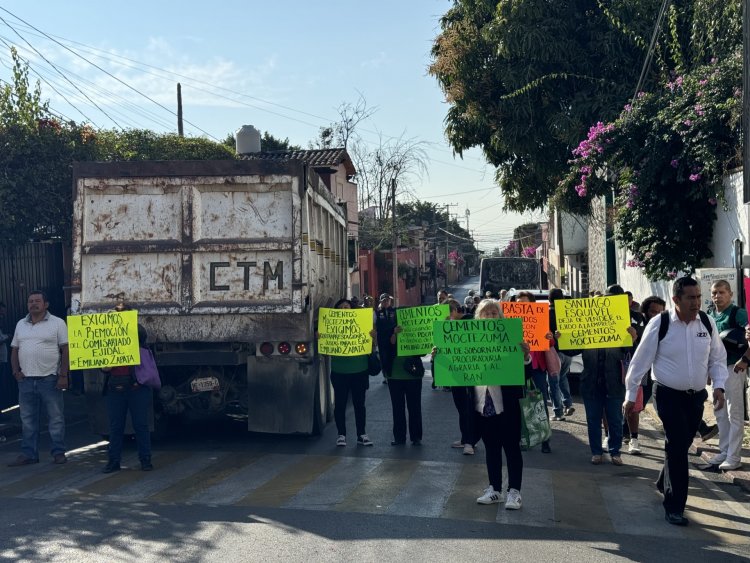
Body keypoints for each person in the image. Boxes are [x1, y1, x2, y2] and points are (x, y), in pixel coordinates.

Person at [624, 276, 727, 526]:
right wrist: (630, 395)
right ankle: (674, 506)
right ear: (676, 300)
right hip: (667, 394)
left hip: (696, 398)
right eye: (691, 298)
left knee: (680, 444)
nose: (697, 303)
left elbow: (717, 358)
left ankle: (663, 481)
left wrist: (720, 386)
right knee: (678, 446)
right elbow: (640, 361)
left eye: (699, 297)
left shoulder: (706, 322)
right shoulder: (660, 324)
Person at [472, 299, 530, 510]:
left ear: (500, 316)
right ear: (478, 317)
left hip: (506, 403)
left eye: (493, 313)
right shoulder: (470, 341)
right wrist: (440, 357)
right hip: (483, 404)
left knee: (511, 448)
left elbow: (526, 374)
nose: (489, 316)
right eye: (485, 313)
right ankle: (494, 489)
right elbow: (456, 371)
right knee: (491, 448)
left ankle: (514, 492)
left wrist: (525, 357)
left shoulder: (510, 339)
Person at [8, 290, 69, 466]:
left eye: (37, 301)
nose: (33, 304)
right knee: (27, 420)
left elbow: (65, 350)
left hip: (49, 379)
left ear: (46, 304)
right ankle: (29, 454)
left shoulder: (57, 323)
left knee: (55, 418)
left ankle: (58, 452)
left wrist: (63, 375)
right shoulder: (21, 324)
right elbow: (15, 350)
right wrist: (15, 371)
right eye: (30, 301)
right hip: (26, 380)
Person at [580, 286, 637, 466]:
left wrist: (633, 339)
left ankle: (615, 451)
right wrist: (560, 337)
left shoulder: (626, 324)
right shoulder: (586, 324)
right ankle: (596, 452)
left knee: (615, 420)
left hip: (614, 382)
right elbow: (570, 348)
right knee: (593, 420)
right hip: (591, 381)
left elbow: (632, 354)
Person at [102, 324, 155, 472]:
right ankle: (113, 461)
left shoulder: (138, 336)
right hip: (115, 389)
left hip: (136, 389)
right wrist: (107, 365)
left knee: (141, 425)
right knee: (115, 427)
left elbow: (143, 339)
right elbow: (103, 368)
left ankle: (145, 460)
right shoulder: (107, 340)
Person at [707, 280, 746, 470]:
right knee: (719, 411)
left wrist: (746, 359)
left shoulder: (738, 313)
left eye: (722, 292)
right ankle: (724, 451)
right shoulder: (709, 315)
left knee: (734, 413)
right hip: (716, 370)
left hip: (733, 368)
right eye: (714, 293)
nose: (718, 296)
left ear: (730, 294)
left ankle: (734, 456)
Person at [325, 298, 375, 448]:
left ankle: (362, 434)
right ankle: (341, 435)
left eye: (347, 306)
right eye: (341, 307)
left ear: (352, 309)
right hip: (339, 371)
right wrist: (320, 338)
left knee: (359, 404)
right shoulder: (331, 326)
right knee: (340, 404)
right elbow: (324, 347)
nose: (344, 309)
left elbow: (373, 346)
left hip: (360, 370)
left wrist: (373, 336)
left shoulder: (362, 323)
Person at [622, 295, 666, 454]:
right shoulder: (641, 325)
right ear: (645, 312)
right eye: (653, 311)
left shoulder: (666, 325)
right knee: (632, 403)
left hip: (655, 374)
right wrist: (634, 338)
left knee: (639, 405)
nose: (656, 315)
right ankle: (627, 434)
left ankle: (626, 431)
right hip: (639, 372)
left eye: (660, 312)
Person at [515, 291, 554, 454]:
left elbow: (550, 342)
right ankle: (522, 436)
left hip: (537, 368)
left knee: (540, 403)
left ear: (532, 304)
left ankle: (545, 439)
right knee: (518, 404)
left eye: (524, 303)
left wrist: (549, 336)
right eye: (518, 303)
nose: (521, 306)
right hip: (516, 368)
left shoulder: (540, 319)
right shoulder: (510, 322)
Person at [440, 299, 477, 455]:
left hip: (471, 373)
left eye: (447, 314)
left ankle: (470, 441)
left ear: (454, 311)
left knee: (468, 408)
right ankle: (465, 439)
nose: (446, 318)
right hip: (455, 373)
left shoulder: (470, 321)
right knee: (461, 407)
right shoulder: (447, 327)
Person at [386, 325, 423, 446]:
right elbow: (385, 347)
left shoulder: (417, 330)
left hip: (413, 374)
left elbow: (422, 352)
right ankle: (399, 437)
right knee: (397, 408)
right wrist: (394, 334)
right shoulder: (389, 329)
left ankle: (416, 437)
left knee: (415, 407)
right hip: (395, 376)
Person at [548, 288, 576, 419]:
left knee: (553, 381)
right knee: (563, 378)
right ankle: (568, 404)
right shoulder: (568, 313)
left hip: (555, 353)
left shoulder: (547, 314)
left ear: (550, 299)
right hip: (568, 353)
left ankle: (558, 411)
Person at [375, 294, 397, 385]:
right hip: (382, 339)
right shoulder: (377, 313)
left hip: (392, 338)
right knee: (383, 358)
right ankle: (386, 376)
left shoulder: (395, 311)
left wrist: (395, 334)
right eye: (384, 300)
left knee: (392, 357)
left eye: (388, 300)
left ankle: (391, 374)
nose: (386, 302)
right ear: (381, 302)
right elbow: (374, 326)